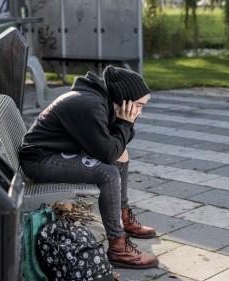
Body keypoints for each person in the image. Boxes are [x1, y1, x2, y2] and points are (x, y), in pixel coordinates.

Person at [18, 65, 158, 269]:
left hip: (52, 153)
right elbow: (108, 153)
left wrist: (125, 122)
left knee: (122, 154)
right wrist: (125, 123)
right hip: (39, 161)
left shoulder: (100, 99)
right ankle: (118, 248)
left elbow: (118, 146)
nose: (140, 112)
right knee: (107, 173)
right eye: (138, 105)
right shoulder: (90, 105)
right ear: (123, 99)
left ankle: (123, 217)